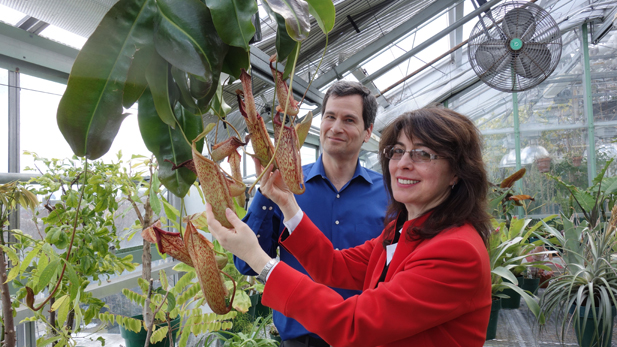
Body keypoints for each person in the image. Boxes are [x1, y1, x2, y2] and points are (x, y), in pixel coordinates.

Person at [208, 108, 493, 347]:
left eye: (423, 155)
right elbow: (336, 265)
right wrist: (287, 205)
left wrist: (259, 260)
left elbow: (354, 324)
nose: (403, 164)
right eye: (398, 151)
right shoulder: (403, 229)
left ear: (457, 171)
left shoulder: (455, 251)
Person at [234, 81, 389, 347]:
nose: (336, 127)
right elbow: (247, 264)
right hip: (301, 340)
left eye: (349, 119)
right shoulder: (286, 185)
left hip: (364, 336)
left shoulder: (389, 193)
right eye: (330, 116)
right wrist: (265, 192)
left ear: (367, 132)